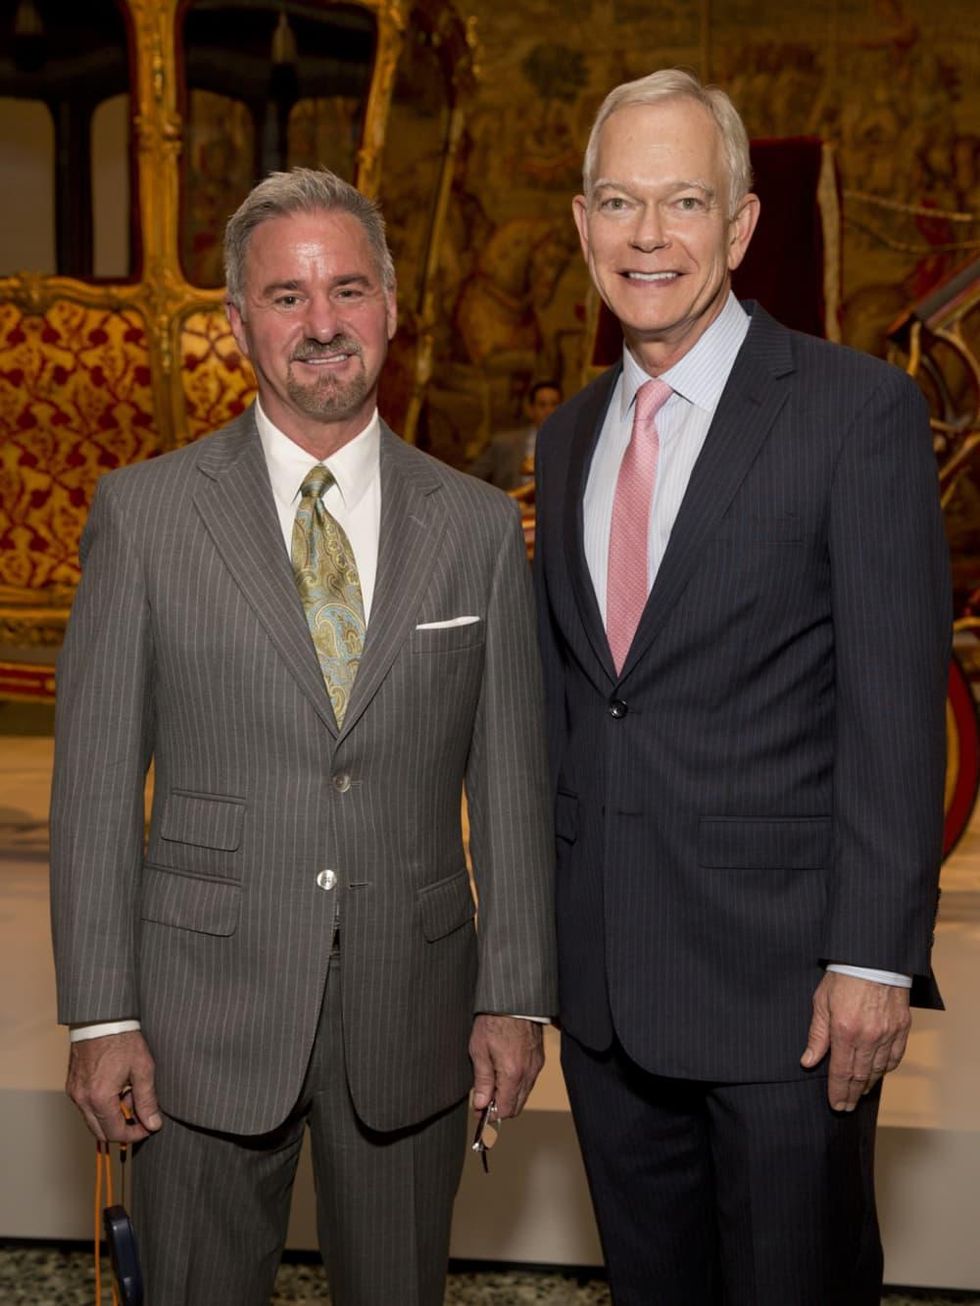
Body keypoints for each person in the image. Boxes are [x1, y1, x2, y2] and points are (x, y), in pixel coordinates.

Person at [49, 167, 557, 1306]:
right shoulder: (144, 516)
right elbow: (92, 789)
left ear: (391, 308)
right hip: (195, 1022)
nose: (322, 323)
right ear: (239, 324)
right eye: (287, 297)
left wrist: (515, 994)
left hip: (415, 1013)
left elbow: (513, 784)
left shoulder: (477, 527)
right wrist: (103, 1014)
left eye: (348, 290)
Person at [533, 69, 950, 1305]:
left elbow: (893, 710)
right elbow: (579, 706)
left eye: (682, 201)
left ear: (740, 224)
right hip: (606, 997)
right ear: (581, 224)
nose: (646, 236)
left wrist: (871, 958)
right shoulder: (566, 437)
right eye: (619, 202)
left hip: (787, 1001)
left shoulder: (853, 412)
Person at [470, 379, 562, 490]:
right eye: (542, 405)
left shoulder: (573, 445)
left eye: (554, 404)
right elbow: (472, 478)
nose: (549, 411)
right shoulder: (503, 443)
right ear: (531, 409)